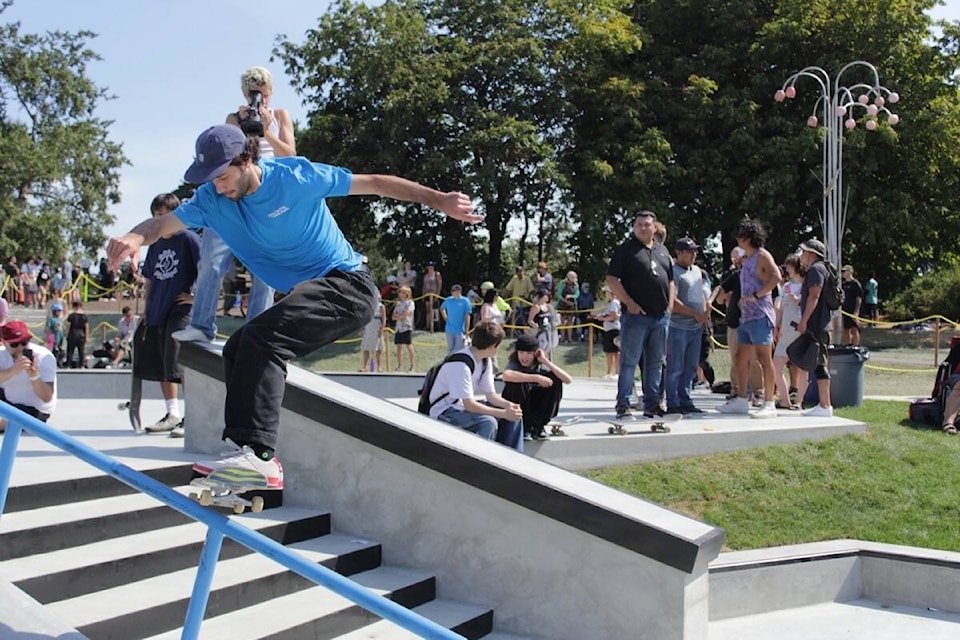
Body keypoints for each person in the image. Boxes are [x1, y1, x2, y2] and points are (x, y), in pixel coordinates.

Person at [106, 124, 479, 490]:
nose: (218, 187)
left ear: (247, 158)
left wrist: (439, 200)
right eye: (211, 180)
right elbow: (161, 225)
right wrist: (134, 237)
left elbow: (376, 182)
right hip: (311, 291)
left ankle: (259, 457)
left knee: (262, 341)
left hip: (348, 285)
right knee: (238, 347)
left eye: (223, 177)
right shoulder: (209, 200)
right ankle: (244, 455)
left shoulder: (297, 177)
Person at [172, 66, 295, 344]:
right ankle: (202, 324)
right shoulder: (233, 118)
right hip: (234, 193)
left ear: (270, 93)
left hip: (266, 193)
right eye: (252, 93)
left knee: (263, 268)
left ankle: (256, 330)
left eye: (262, 93)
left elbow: (290, 156)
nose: (258, 99)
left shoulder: (281, 116)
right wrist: (243, 124)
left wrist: (266, 131)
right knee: (212, 258)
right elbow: (226, 156)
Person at [140, 193, 201, 437]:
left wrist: (195, 298)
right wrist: (146, 310)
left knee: (179, 362)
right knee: (164, 364)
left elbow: (209, 269)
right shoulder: (155, 244)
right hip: (158, 309)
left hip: (181, 309)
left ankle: (192, 416)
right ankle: (172, 413)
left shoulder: (189, 239)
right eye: (156, 214)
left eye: (165, 214)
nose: (160, 218)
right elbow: (149, 279)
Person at [605, 210, 674, 421]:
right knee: (629, 361)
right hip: (636, 317)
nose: (643, 228)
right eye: (639, 225)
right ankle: (623, 405)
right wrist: (628, 302)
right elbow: (612, 279)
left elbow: (670, 281)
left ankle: (652, 404)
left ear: (655, 227)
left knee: (655, 362)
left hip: (660, 316)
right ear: (634, 228)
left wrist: (670, 306)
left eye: (647, 224)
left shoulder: (663, 251)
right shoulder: (626, 250)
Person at [717, 220, 782, 418]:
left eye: (740, 236)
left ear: (748, 237)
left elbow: (776, 277)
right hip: (745, 317)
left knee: (764, 358)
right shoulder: (748, 258)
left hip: (760, 315)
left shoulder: (762, 255)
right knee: (740, 358)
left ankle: (769, 402)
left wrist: (756, 295)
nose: (737, 239)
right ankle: (741, 399)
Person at [426, 320, 523, 451]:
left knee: (515, 416)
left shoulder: (484, 361)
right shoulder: (460, 364)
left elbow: (491, 396)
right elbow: (469, 405)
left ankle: (512, 457)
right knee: (488, 422)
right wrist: (503, 413)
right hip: (444, 411)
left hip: (460, 408)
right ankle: (479, 460)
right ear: (492, 346)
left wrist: (509, 407)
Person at [665, 238, 710, 414]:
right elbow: (673, 301)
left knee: (691, 366)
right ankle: (673, 402)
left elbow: (701, 294)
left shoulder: (698, 271)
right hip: (678, 326)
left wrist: (705, 311)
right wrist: (694, 313)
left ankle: (686, 399)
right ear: (679, 253)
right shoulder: (674, 272)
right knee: (675, 366)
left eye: (695, 251)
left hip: (696, 327)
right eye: (689, 251)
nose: (694, 254)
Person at [501, 333, 573, 441]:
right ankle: (524, 427)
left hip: (534, 406)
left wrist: (545, 361)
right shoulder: (514, 363)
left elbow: (567, 380)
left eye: (529, 353)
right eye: (521, 352)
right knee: (518, 380)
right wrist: (536, 378)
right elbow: (506, 375)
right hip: (518, 407)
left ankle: (538, 426)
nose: (524, 357)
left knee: (555, 379)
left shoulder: (540, 364)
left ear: (535, 353)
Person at [797, 238, 834, 417]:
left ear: (812, 253)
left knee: (820, 364)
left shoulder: (815, 270)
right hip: (820, 324)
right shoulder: (821, 269)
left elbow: (814, 296)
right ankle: (824, 404)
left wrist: (804, 320)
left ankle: (825, 405)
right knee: (818, 364)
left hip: (817, 325)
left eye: (804, 252)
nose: (801, 255)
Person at [0, 320, 56, 432]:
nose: (20, 348)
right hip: (9, 402)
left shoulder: (44, 357)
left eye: (24, 343)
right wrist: (12, 371)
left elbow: (46, 397)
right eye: (14, 345)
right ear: (4, 343)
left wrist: (34, 376)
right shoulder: (1, 354)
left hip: (34, 409)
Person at [772, 254, 806, 410]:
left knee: (803, 367)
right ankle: (785, 399)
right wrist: (776, 326)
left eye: (790, 266)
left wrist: (797, 299)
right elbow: (780, 309)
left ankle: (799, 401)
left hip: (799, 329)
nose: (787, 269)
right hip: (786, 329)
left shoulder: (806, 286)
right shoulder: (786, 287)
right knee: (776, 365)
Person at [592, 285, 620, 379]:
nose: (605, 294)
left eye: (606, 292)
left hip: (613, 329)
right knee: (612, 352)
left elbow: (613, 316)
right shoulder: (613, 303)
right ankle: (612, 372)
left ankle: (613, 372)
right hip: (612, 329)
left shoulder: (614, 303)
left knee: (612, 352)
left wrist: (602, 318)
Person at [440, 284, 472, 354]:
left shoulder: (465, 301)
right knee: (450, 349)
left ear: (459, 291)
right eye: (452, 291)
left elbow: (468, 316)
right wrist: (445, 317)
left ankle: (450, 359)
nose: (452, 292)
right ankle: (450, 361)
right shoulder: (448, 300)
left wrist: (467, 330)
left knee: (458, 349)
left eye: (454, 291)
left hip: (460, 330)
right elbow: (442, 308)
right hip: (449, 329)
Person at [359, 290, 386, 372]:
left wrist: (382, 329)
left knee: (378, 348)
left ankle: (379, 366)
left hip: (377, 325)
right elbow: (364, 317)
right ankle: (365, 366)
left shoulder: (381, 306)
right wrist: (362, 328)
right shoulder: (368, 305)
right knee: (366, 347)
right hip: (368, 325)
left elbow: (384, 318)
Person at [503, 267, 534, 334]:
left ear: (524, 272)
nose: (520, 273)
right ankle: (512, 332)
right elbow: (508, 289)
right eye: (519, 272)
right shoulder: (514, 279)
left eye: (521, 271)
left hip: (525, 303)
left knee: (524, 318)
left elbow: (531, 290)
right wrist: (503, 296)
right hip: (515, 303)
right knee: (514, 317)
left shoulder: (527, 279)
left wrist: (526, 296)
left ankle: (526, 332)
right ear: (516, 273)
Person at [392, 286, 416, 371]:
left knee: (409, 345)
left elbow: (407, 313)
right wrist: (399, 316)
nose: (400, 294)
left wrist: (400, 316)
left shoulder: (410, 303)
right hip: (398, 327)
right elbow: (393, 316)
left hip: (407, 327)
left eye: (402, 292)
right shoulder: (398, 304)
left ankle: (412, 365)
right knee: (398, 347)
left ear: (406, 293)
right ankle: (399, 365)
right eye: (399, 292)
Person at [841, 265, 863, 346]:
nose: (842, 273)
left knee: (854, 329)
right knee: (846, 329)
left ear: (850, 272)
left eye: (844, 271)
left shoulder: (855, 284)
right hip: (845, 310)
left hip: (853, 310)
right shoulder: (843, 284)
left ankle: (855, 346)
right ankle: (848, 345)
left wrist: (856, 312)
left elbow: (859, 298)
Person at [528, 289, 555, 355]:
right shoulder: (536, 307)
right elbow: (530, 320)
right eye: (546, 295)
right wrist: (534, 325)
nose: (548, 297)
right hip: (540, 332)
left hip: (549, 331)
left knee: (549, 350)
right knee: (541, 349)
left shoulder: (549, 306)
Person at [555, 271, 580, 343]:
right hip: (562, 305)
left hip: (572, 305)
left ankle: (569, 338)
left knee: (570, 322)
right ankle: (562, 338)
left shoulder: (575, 285)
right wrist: (566, 301)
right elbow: (559, 295)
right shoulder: (561, 284)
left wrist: (571, 296)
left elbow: (577, 294)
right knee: (562, 322)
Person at [64, 300, 88, 369]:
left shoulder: (71, 316)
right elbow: (86, 327)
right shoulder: (84, 316)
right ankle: (81, 365)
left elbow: (68, 326)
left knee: (70, 350)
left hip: (72, 334)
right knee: (81, 351)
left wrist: (66, 334)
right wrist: (86, 336)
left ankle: (68, 364)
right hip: (81, 335)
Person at [421, 262, 442, 332]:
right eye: (429, 266)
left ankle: (434, 326)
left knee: (434, 310)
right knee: (428, 311)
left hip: (434, 294)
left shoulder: (437, 274)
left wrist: (438, 295)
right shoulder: (426, 276)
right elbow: (424, 286)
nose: (430, 267)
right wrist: (423, 294)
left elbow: (439, 285)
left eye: (432, 266)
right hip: (427, 294)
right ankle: (427, 325)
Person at [44, 302, 65, 366]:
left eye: (60, 311)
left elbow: (63, 328)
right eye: (58, 311)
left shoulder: (60, 320)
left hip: (60, 337)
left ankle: (59, 362)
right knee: (54, 351)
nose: (59, 313)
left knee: (61, 351)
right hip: (54, 337)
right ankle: (53, 362)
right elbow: (48, 328)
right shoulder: (51, 319)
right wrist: (50, 337)